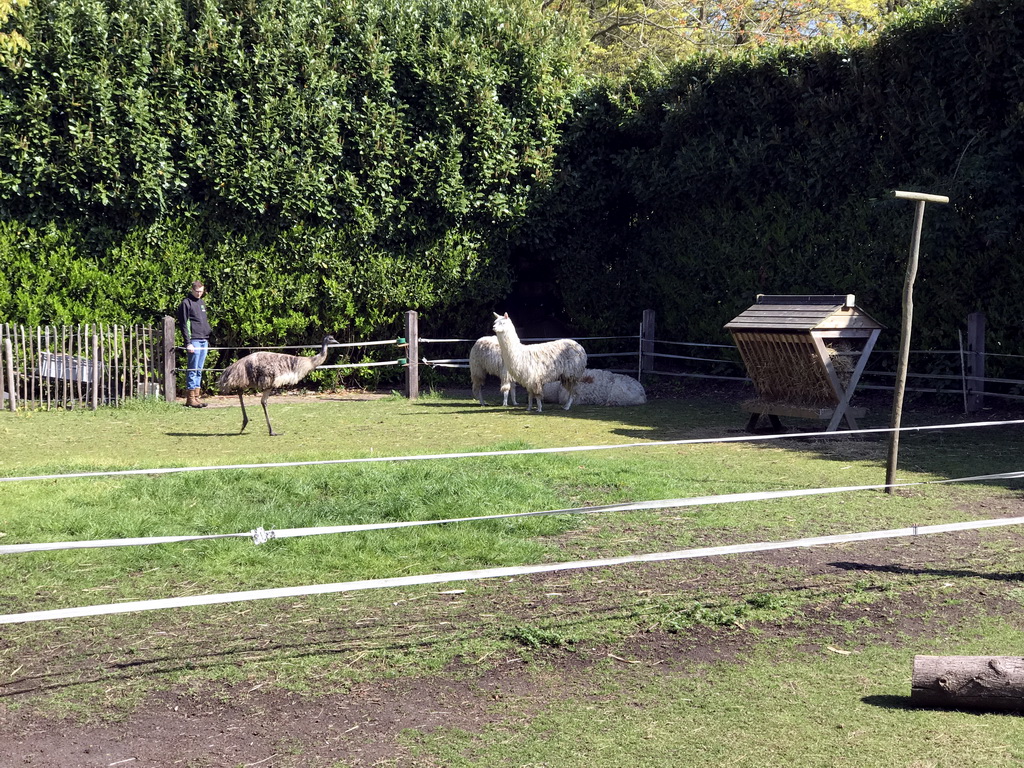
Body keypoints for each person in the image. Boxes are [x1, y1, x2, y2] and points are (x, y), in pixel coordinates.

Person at [176, 280, 212, 408]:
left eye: (201, 292)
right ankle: (190, 399)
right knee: (192, 369)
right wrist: (188, 342)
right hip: (194, 340)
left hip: (204, 340)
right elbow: (184, 324)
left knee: (199, 370)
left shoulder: (201, 303)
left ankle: (197, 397)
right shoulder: (186, 303)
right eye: (197, 292)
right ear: (192, 290)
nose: (199, 294)